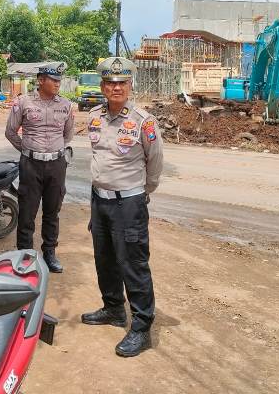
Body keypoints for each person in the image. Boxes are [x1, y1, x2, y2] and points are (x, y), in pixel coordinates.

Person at [81, 56, 164, 358]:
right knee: (104, 259)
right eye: (110, 83)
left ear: (130, 85)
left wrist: (141, 193)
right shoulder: (95, 116)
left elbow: (155, 164)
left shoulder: (144, 121)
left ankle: (141, 328)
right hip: (99, 200)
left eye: (122, 83)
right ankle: (114, 308)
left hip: (129, 203)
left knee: (133, 263)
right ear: (103, 86)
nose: (116, 88)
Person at [5, 62, 74, 273]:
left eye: (59, 80)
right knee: (27, 212)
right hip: (31, 165)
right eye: (53, 80)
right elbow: (10, 132)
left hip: (56, 165)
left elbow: (68, 134)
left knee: (52, 211)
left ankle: (49, 253)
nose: (57, 84)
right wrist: (28, 150)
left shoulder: (66, 105)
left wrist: (55, 152)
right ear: (41, 80)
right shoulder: (23, 102)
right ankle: (25, 256)